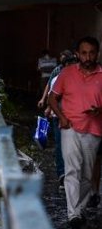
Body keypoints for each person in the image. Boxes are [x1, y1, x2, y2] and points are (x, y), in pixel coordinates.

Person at [48, 36, 102, 229]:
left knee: (87, 176)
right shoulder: (66, 73)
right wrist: (61, 117)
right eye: (84, 53)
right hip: (69, 127)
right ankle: (73, 215)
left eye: (92, 53)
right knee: (72, 171)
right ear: (77, 54)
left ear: (97, 53)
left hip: (94, 130)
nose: (88, 57)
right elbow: (53, 97)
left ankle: (78, 210)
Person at [37, 50, 77, 188]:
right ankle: (62, 175)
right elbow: (51, 97)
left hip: (74, 118)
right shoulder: (56, 78)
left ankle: (71, 174)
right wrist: (48, 107)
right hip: (58, 118)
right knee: (61, 146)